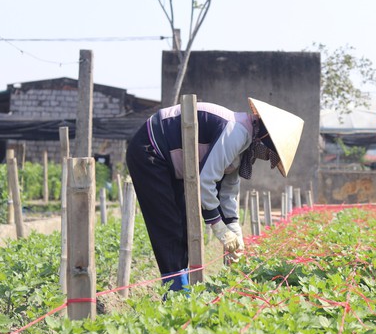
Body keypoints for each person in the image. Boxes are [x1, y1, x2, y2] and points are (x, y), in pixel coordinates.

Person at [126, 97, 304, 293]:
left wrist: (235, 232)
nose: (265, 156)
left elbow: (228, 191)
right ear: (264, 137)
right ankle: (177, 292)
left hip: (171, 163)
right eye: (269, 151)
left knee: (183, 226)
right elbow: (205, 180)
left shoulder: (243, 141)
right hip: (150, 149)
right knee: (169, 226)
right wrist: (219, 228)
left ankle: (180, 289)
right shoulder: (237, 131)